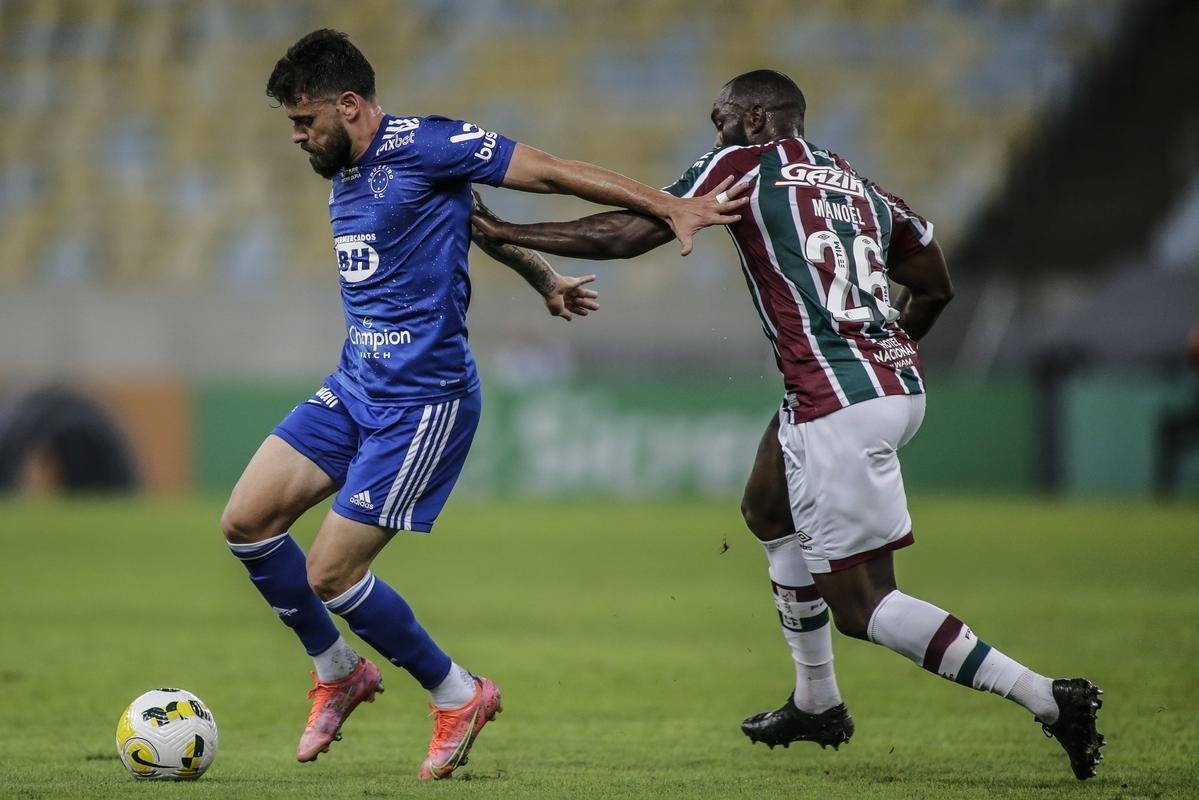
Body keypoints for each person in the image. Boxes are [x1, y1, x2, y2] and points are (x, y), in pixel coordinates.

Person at [470, 69, 1105, 781]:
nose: (714, 134)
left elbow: (626, 232)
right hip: (883, 384)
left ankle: (1049, 699)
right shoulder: (859, 186)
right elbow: (934, 284)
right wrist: (878, 351)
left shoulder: (742, 164)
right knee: (766, 508)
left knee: (864, 608)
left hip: (839, 404)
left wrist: (501, 230)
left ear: (756, 120)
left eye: (721, 120)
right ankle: (816, 702)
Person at [220, 29, 746, 782]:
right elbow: (474, 225)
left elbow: (552, 171)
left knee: (330, 574)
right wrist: (543, 279)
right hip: (355, 383)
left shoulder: (429, 144)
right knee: (245, 522)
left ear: (349, 104)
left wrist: (670, 207)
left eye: (304, 121)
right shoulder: (347, 165)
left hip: (422, 401)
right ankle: (338, 671)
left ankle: (456, 694)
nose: (298, 136)